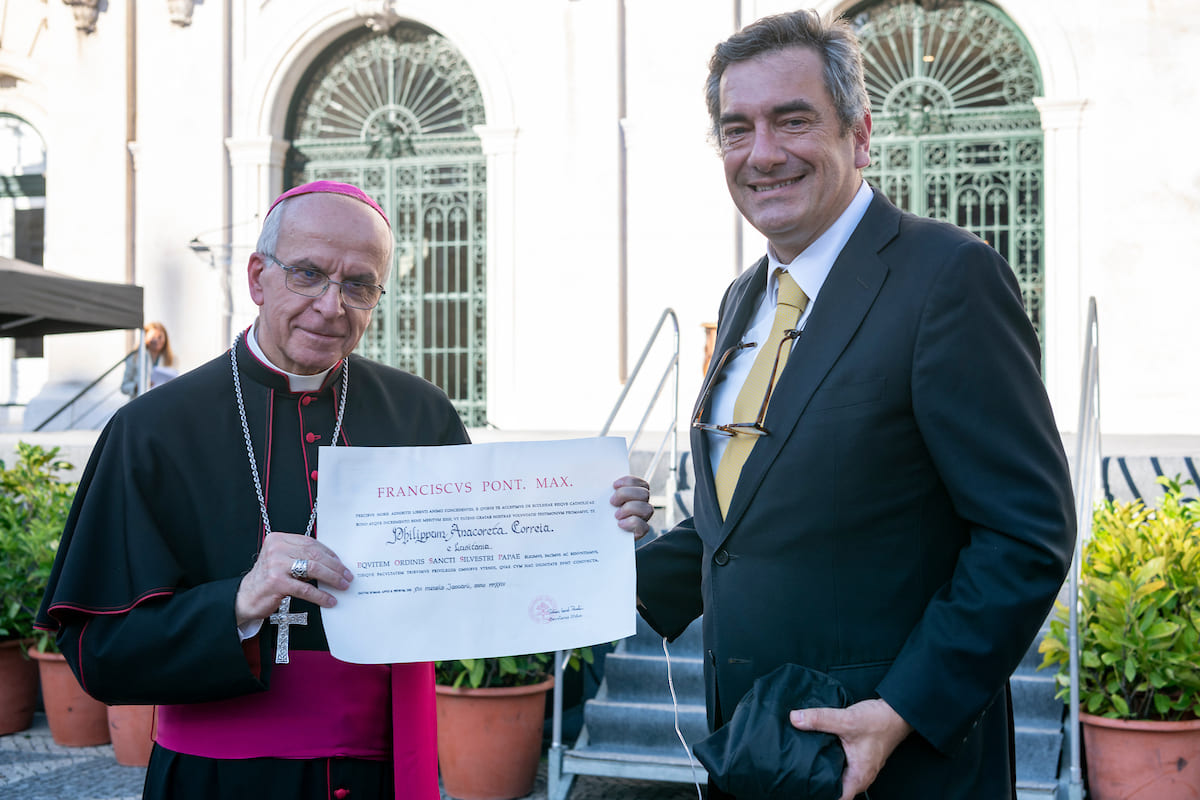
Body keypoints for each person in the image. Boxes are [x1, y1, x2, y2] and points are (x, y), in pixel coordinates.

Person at [36, 180, 653, 800]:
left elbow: (483, 577)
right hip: (220, 779)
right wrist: (238, 603)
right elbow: (99, 652)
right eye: (307, 274)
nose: (333, 306)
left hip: (377, 772)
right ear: (257, 278)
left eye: (359, 285)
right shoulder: (152, 429)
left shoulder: (419, 413)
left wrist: (594, 524)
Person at [632, 11, 1076, 800]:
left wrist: (903, 709)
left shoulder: (949, 277)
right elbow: (736, 528)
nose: (762, 153)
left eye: (792, 121)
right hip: (758, 754)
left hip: (891, 764)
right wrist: (586, 564)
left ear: (860, 135)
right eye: (737, 130)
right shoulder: (746, 299)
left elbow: (1025, 536)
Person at [120, 320, 178, 396]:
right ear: (145, 338)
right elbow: (124, 387)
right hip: (140, 401)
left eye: (160, 337)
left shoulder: (172, 359)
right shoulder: (134, 357)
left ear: (165, 338)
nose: (156, 340)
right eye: (153, 337)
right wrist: (137, 386)